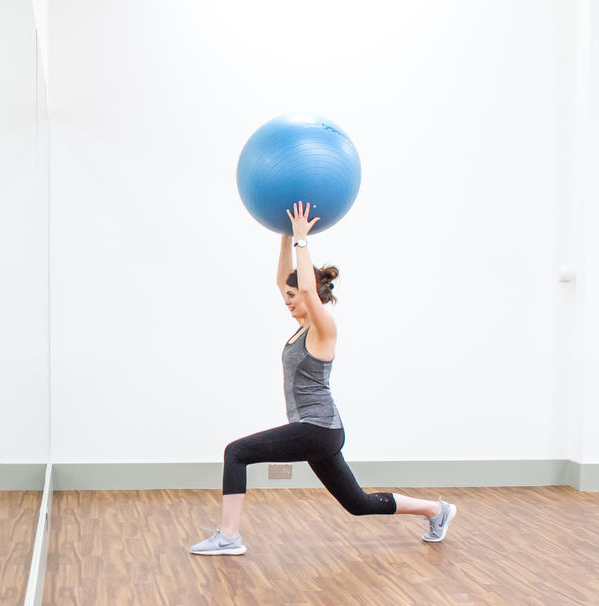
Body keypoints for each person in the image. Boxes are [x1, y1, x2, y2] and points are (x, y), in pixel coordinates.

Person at [190, 201, 455, 555]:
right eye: (286, 296)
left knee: (236, 453)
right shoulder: (301, 328)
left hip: (317, 428)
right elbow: (284, 278)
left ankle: (229, 536)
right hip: (319, 431)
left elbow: (308, 290)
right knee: (358, 503)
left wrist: (302, 239)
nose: (287, 301)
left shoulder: (323, 328)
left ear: (309, 293)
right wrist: (284, 236)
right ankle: (437, 510)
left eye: (293, 296)